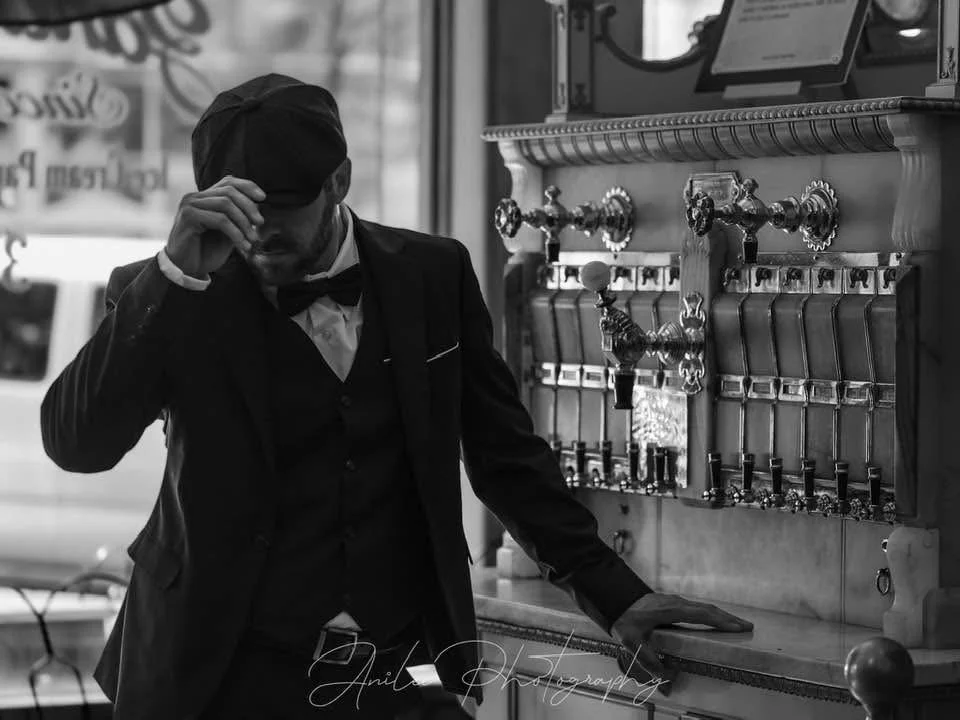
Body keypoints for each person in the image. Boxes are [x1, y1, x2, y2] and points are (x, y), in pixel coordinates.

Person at [39, 74, 753, 720]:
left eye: (284, 208)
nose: (260, 234)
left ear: (339, 181)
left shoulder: (432, 276)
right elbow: (76, 444)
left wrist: (616, 595)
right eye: (242, 211)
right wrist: (173, 277)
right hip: (212, 675)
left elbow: (504, 456)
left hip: (392, 668)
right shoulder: (170, 291)